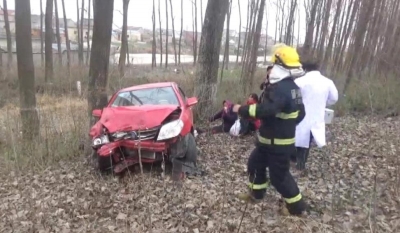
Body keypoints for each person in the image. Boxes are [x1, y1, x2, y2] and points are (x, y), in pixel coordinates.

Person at [232, 46, 308, 216]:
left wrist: (241, 109)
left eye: (273, 64)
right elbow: (300, 113)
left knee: (279, 178)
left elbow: (266, 110)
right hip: (268, 142)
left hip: (278, 145)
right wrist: (285, 123)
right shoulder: (292, 87)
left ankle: (298, 209)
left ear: (279, 65)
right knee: (254, 164)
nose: (271, 68)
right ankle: (256, 195)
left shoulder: (280, 89)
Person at [292, 61, 339, 171]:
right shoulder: (327, 82)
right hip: (317, 116)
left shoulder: (299, 81)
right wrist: (323, 102)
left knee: (298, 139)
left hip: (300, 115)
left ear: (305, 69)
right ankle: (301, 163)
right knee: (307, 141)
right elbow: (334, 98)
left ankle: (295, 161)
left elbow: (294, 98)